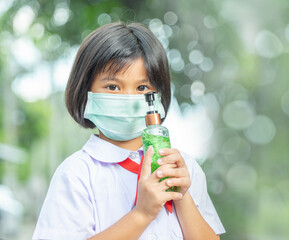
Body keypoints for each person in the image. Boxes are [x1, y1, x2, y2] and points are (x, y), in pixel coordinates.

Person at [33, 21, 225, 240]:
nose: (129, 99)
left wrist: (182, 196)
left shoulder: (184, 168)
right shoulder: (76, 174)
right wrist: (142, 214)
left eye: (142, 88)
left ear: (158, 95)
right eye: (113, 87)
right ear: (85, 90)